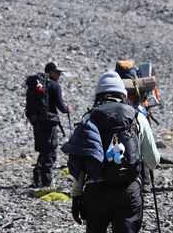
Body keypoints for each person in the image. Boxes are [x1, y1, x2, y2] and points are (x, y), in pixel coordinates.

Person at [62, 71, 160, 233]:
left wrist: (76, 196)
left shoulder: (88, 118)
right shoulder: (137, 116)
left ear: (98, 94)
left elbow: (79, 162)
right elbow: (153, 161)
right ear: (123, 93)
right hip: (128, 189)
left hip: (96, 191)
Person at [31, 62, 71, 188]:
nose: (59, 75)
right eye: (58, 72)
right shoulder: (54, 86)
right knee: (50, 150)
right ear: (51, 72)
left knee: (43, 149)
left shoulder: (37, 85)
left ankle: (37, 179)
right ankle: (46, 182)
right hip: (50, 122)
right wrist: (68, 108)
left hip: (36, 121)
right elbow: (61, 107)